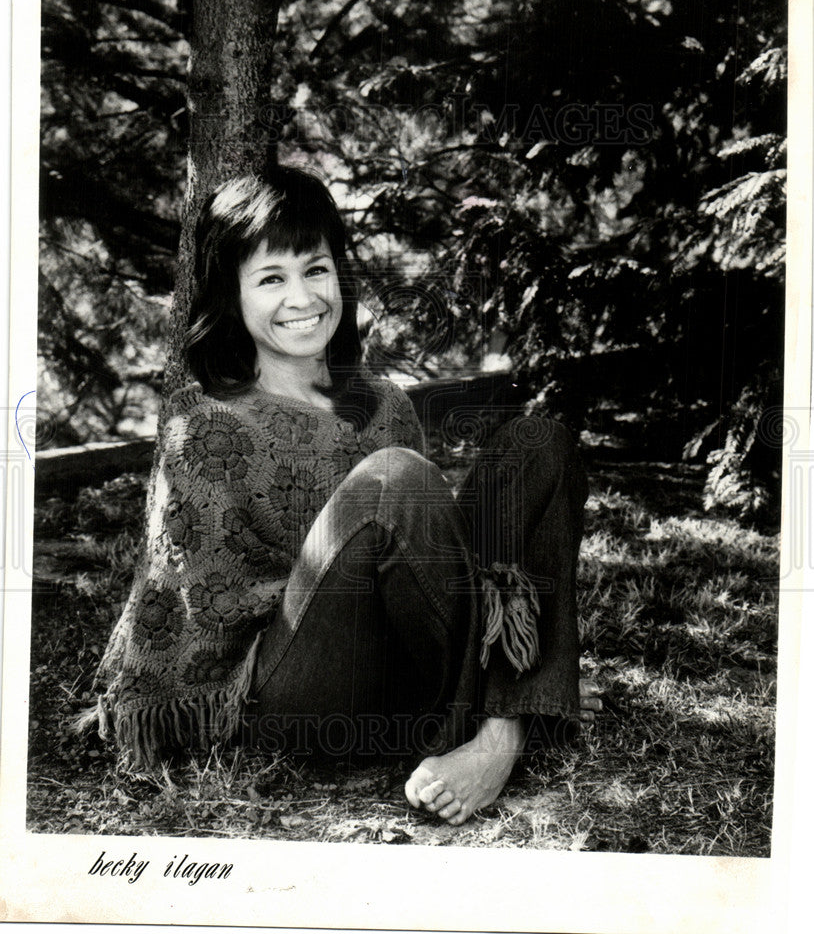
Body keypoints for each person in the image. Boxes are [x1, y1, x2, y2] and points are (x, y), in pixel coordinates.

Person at [89, 165, 600, 826]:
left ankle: (498, 736)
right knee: (395, 479)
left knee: (539, 442)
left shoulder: (383, 404)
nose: (302, 297)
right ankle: (509, 708)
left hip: (404, 672)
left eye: (316, 269)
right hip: (288, 685)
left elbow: (430, 575)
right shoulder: (203, 426)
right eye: (271, 278)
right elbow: (186, 603)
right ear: (231, 293)